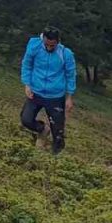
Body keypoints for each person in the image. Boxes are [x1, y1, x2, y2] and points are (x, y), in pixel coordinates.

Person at [20, 26, 76, 154]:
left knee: (58, 134)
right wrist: (27, 84)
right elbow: (27, 65)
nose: (50, 48)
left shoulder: (65, 54)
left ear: (58, 42)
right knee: (26, 119)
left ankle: (55, 159)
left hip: (55, 96)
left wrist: (69, 97)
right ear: (43, 39)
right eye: (47, 45)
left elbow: (70, 75)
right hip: (36, 91)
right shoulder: (34, 46)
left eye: (53, 45)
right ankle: (42, 130)